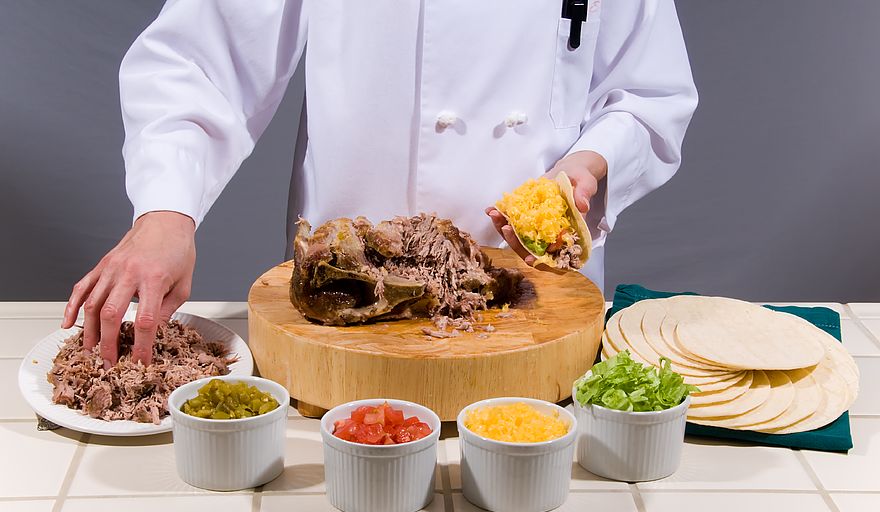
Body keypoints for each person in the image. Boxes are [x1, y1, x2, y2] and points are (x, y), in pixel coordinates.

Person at [63, 0, 697, 365]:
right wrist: (165, 214)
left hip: (535, 311)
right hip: (343, 295)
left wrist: (585, 166)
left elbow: (650, 94)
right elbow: (198, 57)